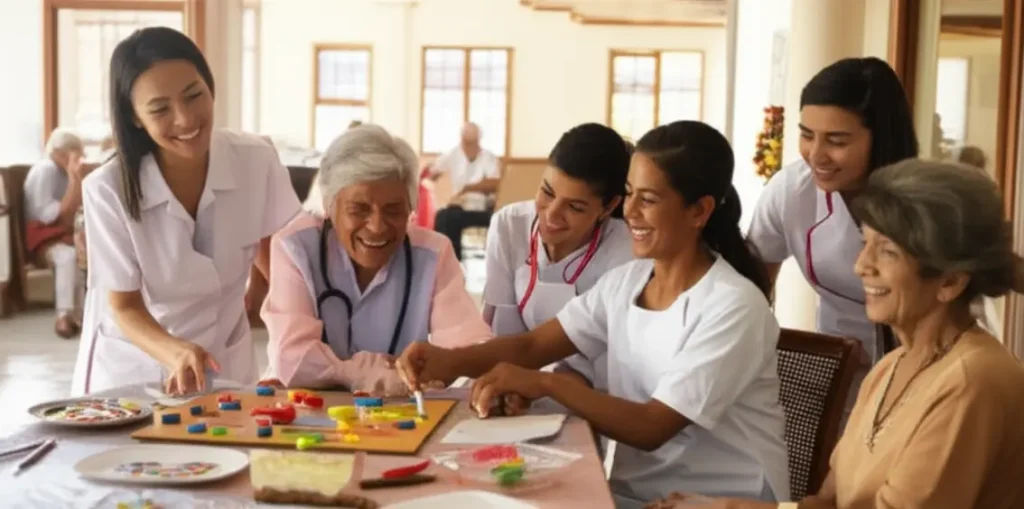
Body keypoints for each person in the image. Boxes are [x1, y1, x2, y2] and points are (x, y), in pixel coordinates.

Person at [398, 121, 790, 507]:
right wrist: (450, 361)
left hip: (720, 500)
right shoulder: (628, 281)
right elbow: (535, 344)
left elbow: (652, 426)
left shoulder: (733, 305)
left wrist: (547, 385)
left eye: (648, 200)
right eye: (629, 194)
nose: (631, 212)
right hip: (633, 496)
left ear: (699, 210)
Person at [653, 160, 1024, 509]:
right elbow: (829, 502)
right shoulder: (891, 365)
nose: (862, 266)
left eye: (888, 252)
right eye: (866, 242)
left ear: (950, 281)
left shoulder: (973, 380)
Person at [71, 27, 301, 396]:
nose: (185, 119)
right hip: (137, 363)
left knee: (235, 452)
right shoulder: (107, 189)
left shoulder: (256, 158)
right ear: (134, 117)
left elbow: (278, 256)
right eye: (160, 109)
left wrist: (300, 331)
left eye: (194, 96)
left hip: (226, 355)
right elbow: (125, 307)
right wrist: (175, 351)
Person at [262, 124, 493, 394]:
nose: (377, 226)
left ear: (411, 208)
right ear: (329, 205)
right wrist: (362, 372)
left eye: (394, 210)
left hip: (397, 419)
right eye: (358, 209)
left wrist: (466, 368)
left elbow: (469, 347)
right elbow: (291, 357)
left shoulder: (432, 255)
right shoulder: (296, 247)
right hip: (306, 411)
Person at [747, 57, 919, 399]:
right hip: (838, 371)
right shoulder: (791, 192)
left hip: (922, 374)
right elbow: (751, 290)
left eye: (837, 141)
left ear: (881, 137)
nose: (816, 155)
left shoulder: (926, 202)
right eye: (807, 135)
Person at [483, 123, 633, 391]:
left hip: (588, 395)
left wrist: (541, 384)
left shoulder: (625, 251)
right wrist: (512, 385)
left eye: (574, 207)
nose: (551, 214)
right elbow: (503, 331)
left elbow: (606, 360)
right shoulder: (509, 225)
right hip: (515, 382)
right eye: (547, 192)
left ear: (609, 206)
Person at [22, 128, 87, 338]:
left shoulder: (60, 172)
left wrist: (74, 178)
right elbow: (52, 215)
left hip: (58, 234)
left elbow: (69, 214)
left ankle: (82, 315)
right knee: (67, 256)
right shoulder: (46, 170)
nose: (81, 159)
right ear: (61, 153)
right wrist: (75, 178)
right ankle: (63, 315)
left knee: (81, 255)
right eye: (76, 154)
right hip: (42, 238)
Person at [431, 122, 502, 260]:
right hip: (461, 207)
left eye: (472, 142)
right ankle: (447, 262)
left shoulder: (488, 157)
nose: (468, 146)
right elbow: (434, 172)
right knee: (442, 216)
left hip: (484, 209)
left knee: (450, 218)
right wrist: (430, 174)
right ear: (461, 140)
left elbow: (495, 184)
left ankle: (452, 262)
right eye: (466, 142)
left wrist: (468, 188)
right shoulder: (453, 154)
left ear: (478, 141)